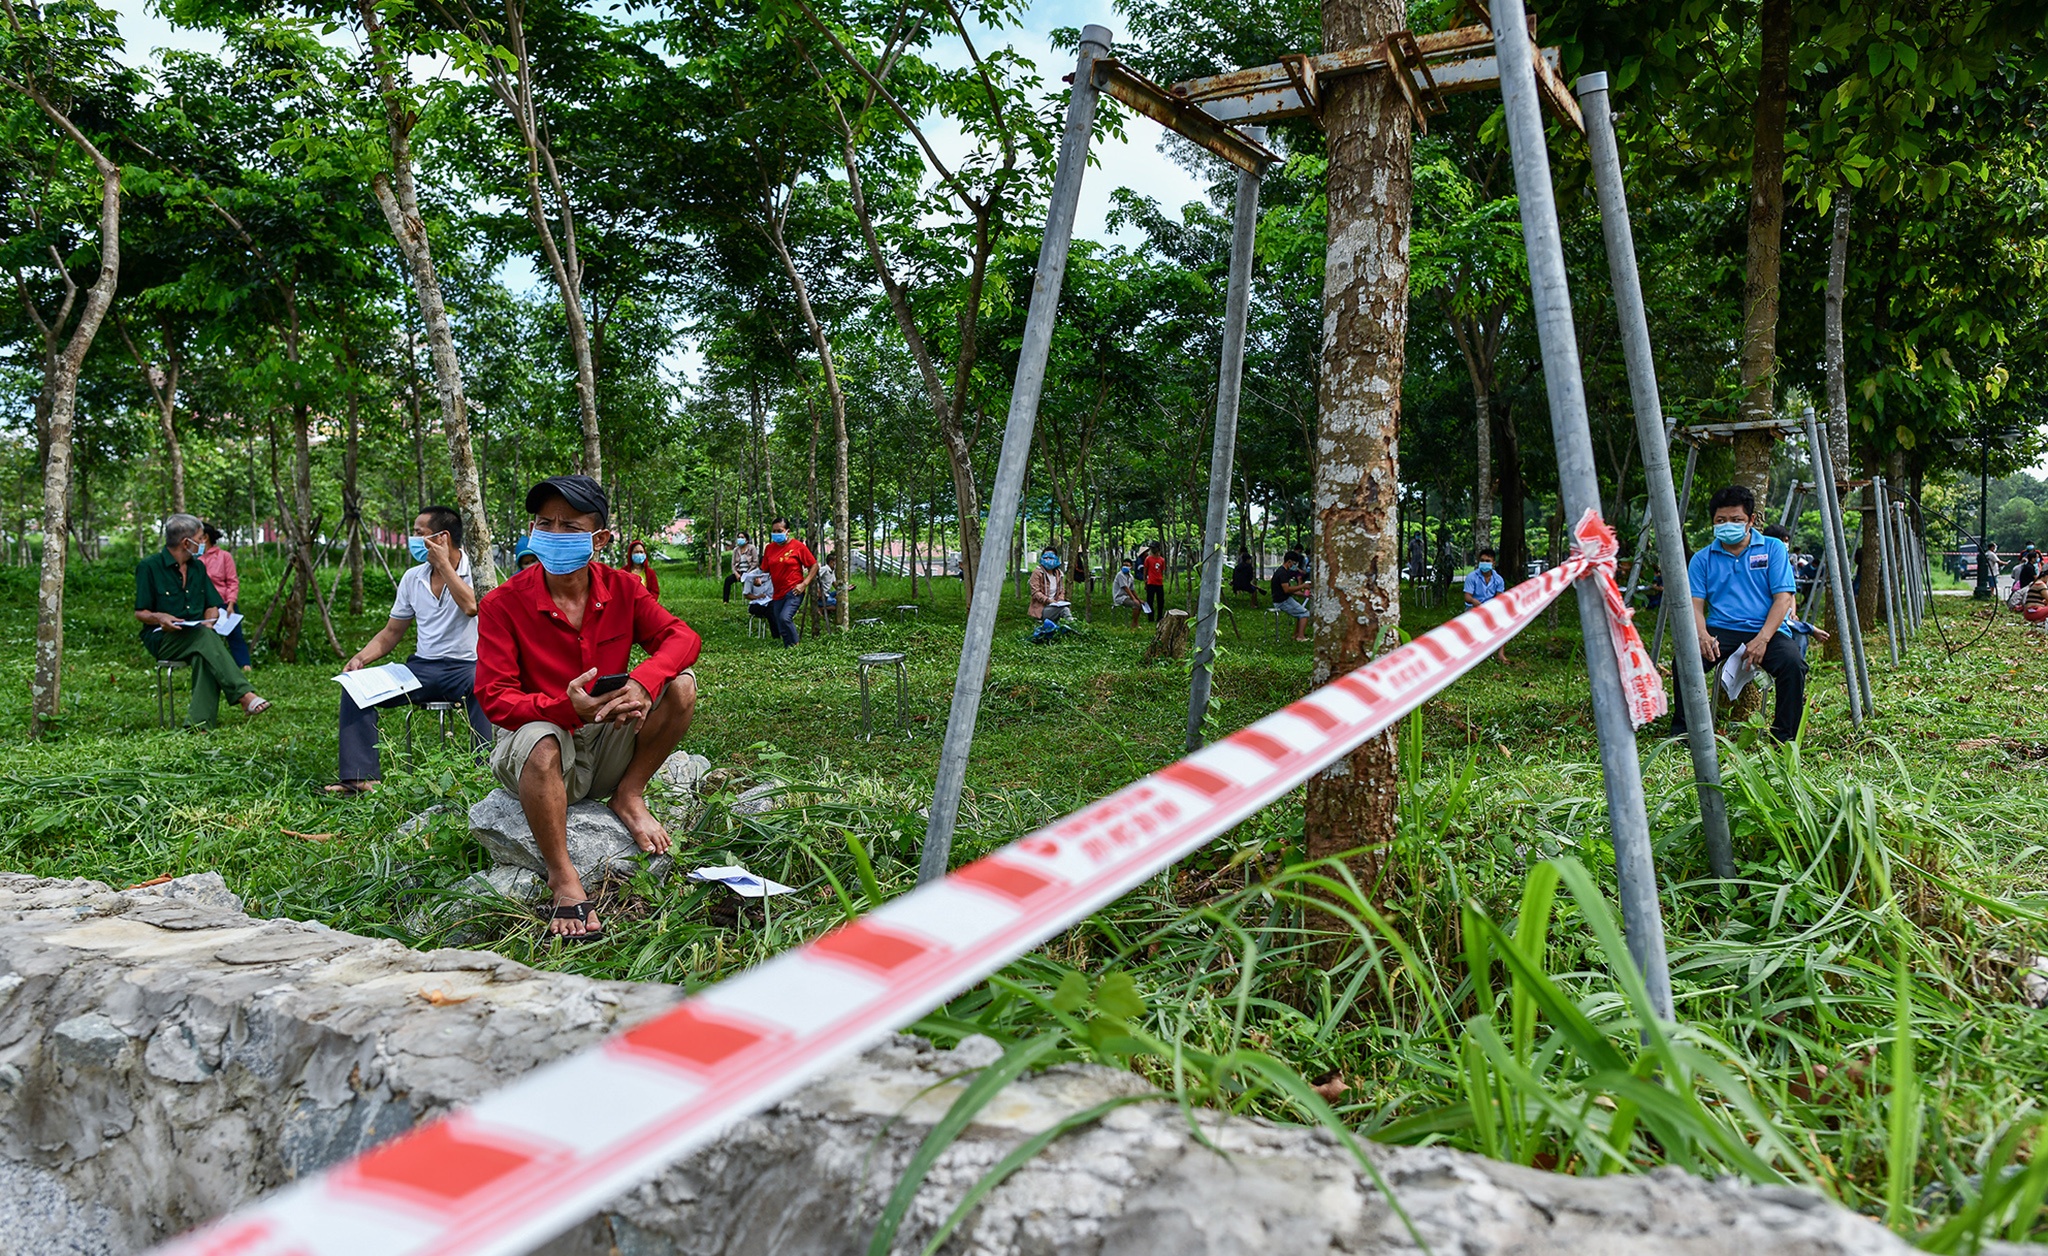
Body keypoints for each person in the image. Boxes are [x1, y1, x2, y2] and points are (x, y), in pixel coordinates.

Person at [475, 475, 702, 940]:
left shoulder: (622, 588)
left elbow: (683, 638)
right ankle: (563, 877)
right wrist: (564, 708)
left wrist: (642, 682)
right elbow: (495, 697)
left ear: (599, 539)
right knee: (541, 743)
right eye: (545, 524)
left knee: (681, 687)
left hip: (605, 738)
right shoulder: (503, 604)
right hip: (539, 743)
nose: (554, 536)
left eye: (569, 527)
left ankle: (628, 794)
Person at [328, 506, 490, 795]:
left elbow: (471, 606)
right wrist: (361, 658)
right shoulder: (412, 578)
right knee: (354, 687)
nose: (412, 539)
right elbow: (392, 633)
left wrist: (444, 567)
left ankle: (484, 774)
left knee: (487, 682)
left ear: (442, 538)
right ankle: (360, 778)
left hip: (467, 668)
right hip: (421, 670)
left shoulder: (477, 572)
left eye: (418, 534)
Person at [1672, 485, 1806, 743]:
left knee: (1793, 664)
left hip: (1769, 629)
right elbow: (1695, 604)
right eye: (1721, 520)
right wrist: (1701, 634)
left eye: (1736, 520)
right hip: (1722, 629)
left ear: (1751, 520)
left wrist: (1763, 638)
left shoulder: (1773, 549)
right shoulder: (1702, 559)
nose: (1728, 525)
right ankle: (1685, 732)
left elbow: (1783, 599)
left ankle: (1784, 739)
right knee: (1685, 660)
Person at [135, 513, 269, 727]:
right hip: (164, 639)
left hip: (198, 635)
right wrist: (159, 617)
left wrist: (209, 621)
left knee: (204, 655)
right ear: (185, 542)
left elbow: (212, 605)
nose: (202, 543)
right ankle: (244, 694)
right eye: (199, 538)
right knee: (203, 638)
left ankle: (199, 726)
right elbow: (140, 612)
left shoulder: (198, 567)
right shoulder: (149, 567)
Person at [198, 522, 251, 671]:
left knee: (235, 635)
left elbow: (232, 581)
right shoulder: (195, 560)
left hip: (223, 603)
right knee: (206, 636)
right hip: (203, 604)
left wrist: (231, 603)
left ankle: (244, 665)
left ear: (205, 538)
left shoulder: (224, 557)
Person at [760, 516, 816, 648]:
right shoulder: (769, 548)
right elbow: (765, 570)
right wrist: (758, 579)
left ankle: (796, 647)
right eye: (774, 531)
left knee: (785, 617)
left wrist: (804, 584)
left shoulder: (798, 546)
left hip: (794, 590)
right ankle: (788, 648)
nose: (776, 534)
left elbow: (814, 565)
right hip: (777, 592)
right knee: (780, 622)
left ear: (787, 531)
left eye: (779, 531)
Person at [1463, 548, 1509, 663]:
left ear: (1493, 563)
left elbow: (1499, 598)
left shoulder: (1498, 580)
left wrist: (1492, 607)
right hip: (1474, 607)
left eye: (1487, 561)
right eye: (1482, 560)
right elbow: (1467, 597)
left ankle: (1501, 654)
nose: (1484, 563)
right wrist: (1474, 602)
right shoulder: (1472, 577)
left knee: (1505, 623)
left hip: (1492, 608)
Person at [1271, 550, 1311, 642]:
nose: (1295, 566)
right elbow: (1287, 590)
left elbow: (1289, 590)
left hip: (1285, 598)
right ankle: (1301, 636)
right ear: (1289, 562)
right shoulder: (1282, 573)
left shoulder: (1283, 572)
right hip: (1281, 601)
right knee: (1305, 613)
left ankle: (1296, 634)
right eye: (1294, 563)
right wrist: (1302, 586)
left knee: (1300, 612)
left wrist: (1303, 595)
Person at [1029, 548, 1072, 622]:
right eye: (1046, 557)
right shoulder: (1037, 573)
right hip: (1041, 609)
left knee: (1064, 608)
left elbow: (1062, 590)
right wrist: (1049, 601)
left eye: (1051, 557)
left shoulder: (1059, 573)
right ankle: (1072, 624)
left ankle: (1070, 624)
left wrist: (1060, 600)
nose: (1048, 559)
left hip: (1055, 606)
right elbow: (1035, 592)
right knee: (1064, 610)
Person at [1112, 557, 1145, 628]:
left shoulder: (1131, 577)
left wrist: (1138, 599)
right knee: (1136, 604)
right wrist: (1134, 599)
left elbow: (1132, 590)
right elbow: (1126, 588)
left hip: (1126, 597)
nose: (1125, 567)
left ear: (1131, 567)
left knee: (1140, 604)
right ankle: (1134, 624)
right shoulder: (1120, 575)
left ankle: (1136, 622)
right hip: (1120, 597)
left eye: (1127, 565)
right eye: (1124, 565)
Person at [1139, 543, 1168, 623]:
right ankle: (1150, 618)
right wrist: (1145, 581)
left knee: (1160, 601)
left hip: (1159, 583)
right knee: (1150, 601)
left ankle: (1159, 617)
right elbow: (1145, 571)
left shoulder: (1162, 560)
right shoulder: (1148, 559)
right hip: (1151, 582)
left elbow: (1162, 571)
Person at [725, 533, 756, 603]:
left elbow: (755, 562)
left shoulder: (752, 548)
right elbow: (733, 564)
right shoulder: (736, 550)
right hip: (739, 572)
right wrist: (736, 573)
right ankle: (725, 601)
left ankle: (753, 599)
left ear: (747, 540)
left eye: (742, 537)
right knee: (728, 580)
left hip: (749, 572)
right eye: (739, 537)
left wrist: (748, 573)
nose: (740, 539)